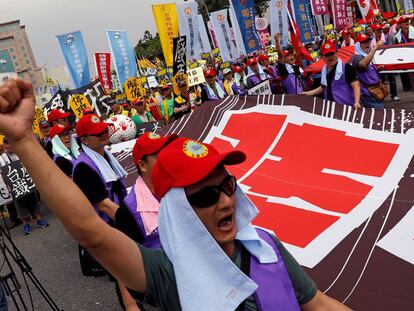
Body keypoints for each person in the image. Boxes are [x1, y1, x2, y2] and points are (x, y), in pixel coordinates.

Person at [0, 78, 353, 311]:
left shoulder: (266, 246)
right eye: (205, 196)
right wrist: (24, 140)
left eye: (227, 186)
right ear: (180, 210)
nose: (226, 201)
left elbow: (318, 304)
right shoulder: (171, 274)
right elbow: (90, 230)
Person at [114, 132, 177, 248]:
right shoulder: (128, 212)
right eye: (161, 155)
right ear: (143, 165)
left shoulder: (184, 185)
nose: (168, 158)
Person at [0, 137, 49, 235]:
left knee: (33, 200)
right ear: (4, 145)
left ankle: (39, 219)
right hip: (14, 185)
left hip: (27, 182)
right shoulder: (2, 158)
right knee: (19, 205)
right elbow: (2, 174)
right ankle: (25, 225)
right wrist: (9, 188)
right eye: (7, 143)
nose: (9, 145)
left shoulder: (21, 152)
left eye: (11, 142)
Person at [302, 40, 361, 109]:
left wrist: (357, 102)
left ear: (336, 53)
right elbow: (324, 87)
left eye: (332, 54)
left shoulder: (347, 68)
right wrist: (309, 93)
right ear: (322, 57)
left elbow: (356, 85)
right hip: (331, 108)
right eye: (327, 55)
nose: (330, 57)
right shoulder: (324, 71)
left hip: (347, 107)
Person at [353, 33, 386, 108]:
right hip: (368, 94)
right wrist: (375, 47)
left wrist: (378, 69)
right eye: (363, 42)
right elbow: (363, 64)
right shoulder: (356, 57)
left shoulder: (367, 55)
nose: (367, 44)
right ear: (358, 45)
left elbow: (367, 70)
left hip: (376, 92)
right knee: (379, 115)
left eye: (368, 41)